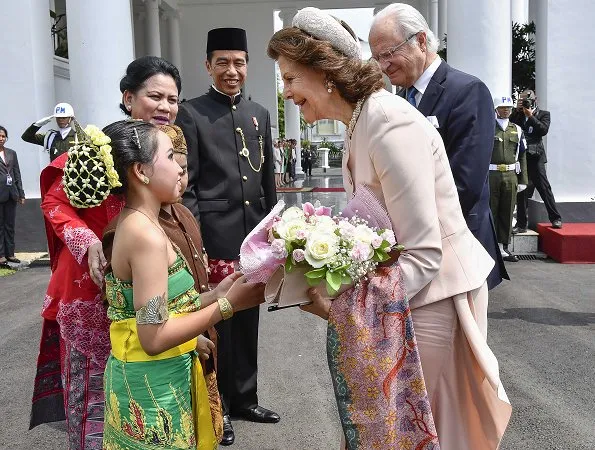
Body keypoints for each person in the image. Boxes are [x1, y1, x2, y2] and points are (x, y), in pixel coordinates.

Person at [268, 7, 511, 449]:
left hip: (436, 298)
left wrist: (350, 308)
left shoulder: (387, 120)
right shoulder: (359, 120)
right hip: (409, 296)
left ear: (325, 72)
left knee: (423, 428)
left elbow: (424, 252)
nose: (285, 93)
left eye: (289, 79)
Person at [29, 56, 182, 449]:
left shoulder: (168, 150)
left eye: (173, 98)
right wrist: (88, 243)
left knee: (147, 402)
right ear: (128, 98)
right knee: (94, 401)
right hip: (92, 293)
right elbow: (54, 201)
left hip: (144, 291)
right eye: (155, 96)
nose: (165, 107)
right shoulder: (99, 147)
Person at [99, 119, 264, 449]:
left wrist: (216, 293)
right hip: (153, 390)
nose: (180, 169)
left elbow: (158, 310)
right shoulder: (145, 236)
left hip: (154, 379)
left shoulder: (143, 224)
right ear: (141, 172)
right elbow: (154, 335)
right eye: (171, 157)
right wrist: (226, 306)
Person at [175, 27, 278, 446]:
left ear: (247, 65)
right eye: (222, 63)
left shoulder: (260, 113)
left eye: (238, 62)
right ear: (208, 66)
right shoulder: (192, 113)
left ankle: (245, 399)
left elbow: (267, 179)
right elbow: (190, 184)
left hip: (253, 237)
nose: (231, 71)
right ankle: (219, 409)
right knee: (216, 324)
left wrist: (273, 232)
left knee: (248, 318)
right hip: (213, 238)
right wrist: (197, 241)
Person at [369, 3, 508, 290]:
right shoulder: (398, 98)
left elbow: (465, 186)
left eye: (388, 53)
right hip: (414, 251)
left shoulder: (467, 91)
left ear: (420, 40)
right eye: (376, 58)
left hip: (456, 246)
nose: (383, 66)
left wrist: (406, 230)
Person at [511, 89, 562, 232]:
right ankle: (521, 224)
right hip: (522, 157)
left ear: (535, 100)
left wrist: (531, 116)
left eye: (527, 100)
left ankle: (555, 218)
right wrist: (517, 110)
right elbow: (511, 127)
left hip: (536, 157)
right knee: (521, 191)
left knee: (544, 188)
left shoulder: (544, 114)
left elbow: (543, 130)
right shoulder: (517, 115)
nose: (525, 102)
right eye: (522, 100)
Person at [490, 96, 528, 262]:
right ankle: (489, 247)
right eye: (502, 107)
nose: (505, 110)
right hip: (492, 175)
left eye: (508, 108)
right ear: (496, 109)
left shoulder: (517, 130)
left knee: (507, 211)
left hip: (511, 175)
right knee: (491, 211)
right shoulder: (489, 128)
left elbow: (522, 156)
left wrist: (523, 179)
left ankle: (502, 247)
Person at [0, 126, 25, 267]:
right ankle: (1, 255)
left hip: (11, 194)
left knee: (10, 225)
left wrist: (21, 193)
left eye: (3, 136)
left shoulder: (11, 153)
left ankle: (10, 254)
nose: (1, 138)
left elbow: (17, 174)